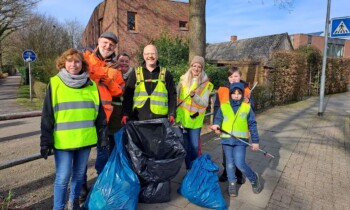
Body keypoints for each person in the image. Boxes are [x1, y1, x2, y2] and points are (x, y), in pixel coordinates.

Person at [40, 48, 108, 210]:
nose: (73, 64)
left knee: (78, 175)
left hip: (85, 139)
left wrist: (103, 136)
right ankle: (58, 208)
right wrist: (45, 141)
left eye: (77, 61)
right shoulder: (55, 83)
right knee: (63, 177)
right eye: (69, 61)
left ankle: (73, 205)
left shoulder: (91, 86)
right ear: (63, 63)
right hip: (63, 142)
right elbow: (47, 115)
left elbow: (99, 115)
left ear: (82, 64)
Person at [80, 31, 125, 202]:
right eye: (105, 43)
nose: (108, 47)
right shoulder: (85, 57)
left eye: (112, 45)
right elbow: (85, 71)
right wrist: (103, 74)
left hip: (103, 116)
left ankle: (101, 181)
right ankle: (82, 187)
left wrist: (107, 80)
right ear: (99, 41)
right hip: (84, 115)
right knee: (82, 154)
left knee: (102, 152)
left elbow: (119, 90)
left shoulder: (115, 67)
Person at [210, 82, 262, 197]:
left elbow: (252, 124)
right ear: (230, 94)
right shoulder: (224, 106)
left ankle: (254, 178)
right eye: (234, 93)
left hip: (240, 141)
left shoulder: (246, 107)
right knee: (229, 164)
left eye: (239, 93)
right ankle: (232, 184)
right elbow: (218, 119)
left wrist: (255, 141)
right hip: (226, 140)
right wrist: (216, 125)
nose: (236, 96)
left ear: (242, 94)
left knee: (239, 163)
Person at [214, 66, 255, 183]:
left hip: (240, 128)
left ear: (240, 76)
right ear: (228, 78)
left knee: (238, 153)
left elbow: (252, 107)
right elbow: (217, 107)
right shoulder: (222, 89)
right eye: (231, 76)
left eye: (236, 76)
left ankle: (238, 174)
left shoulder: (246, 89)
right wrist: (216, 123)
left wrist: (249, 102)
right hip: (225, 127)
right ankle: (227, 172)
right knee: (225, 152)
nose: (233, 78)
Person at [121, 44, 176, 123]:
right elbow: (128, 96)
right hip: (138, 118)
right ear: (143, 56)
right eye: (147, 54)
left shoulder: (166, 74)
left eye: (153, 53)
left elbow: (172, 95)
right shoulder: (135, 74)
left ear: (157, 55)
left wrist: (172, 113)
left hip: (160, 120)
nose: (150, 56)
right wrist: (125, 113)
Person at [176, 55, 213, 169]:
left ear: (202, 69)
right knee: (186, 147)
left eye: (199, 67)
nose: (196, 68)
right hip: (183, 119)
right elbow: (177, 96)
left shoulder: (205, 83)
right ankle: (189, 169)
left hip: (195, 120)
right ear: (191, 66)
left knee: (195, 146)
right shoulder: (183, 79)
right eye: (194, 66)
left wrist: (194, 96)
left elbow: (204, 103)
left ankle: (196, 168)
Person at [108, 52, 133, 148]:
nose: (124, 63)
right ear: (117, 62)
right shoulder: (111, 75)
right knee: (113, 144)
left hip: (129, 116)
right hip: (114, 116)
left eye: (126, 61)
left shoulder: (134, 76)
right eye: (121, 61)